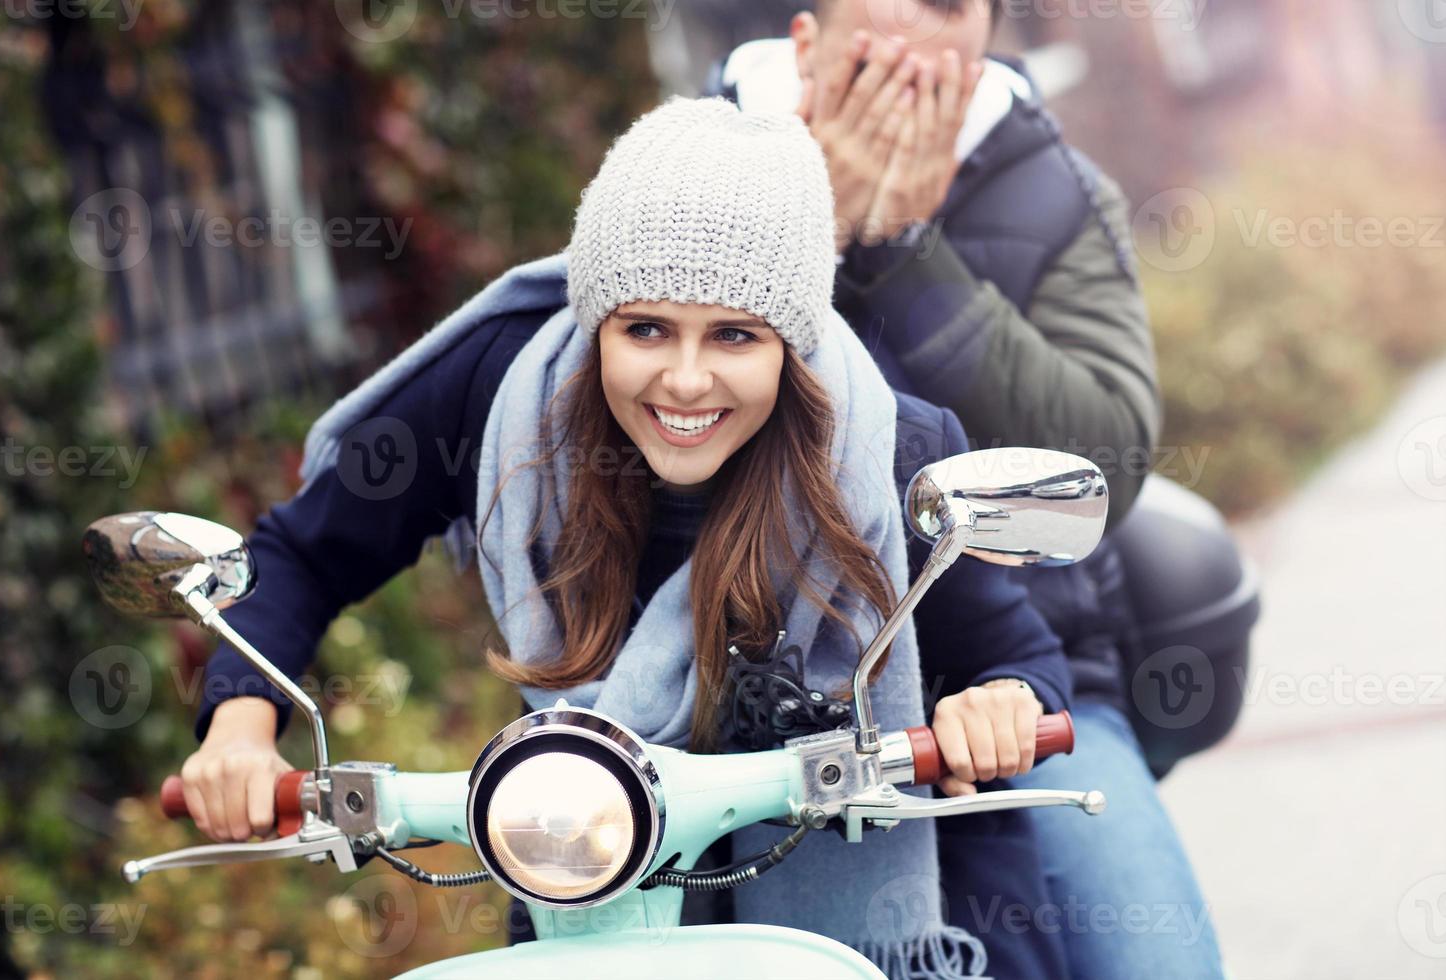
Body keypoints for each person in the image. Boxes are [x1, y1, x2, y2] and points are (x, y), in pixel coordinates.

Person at [181, 97, 1082, 977]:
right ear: (594, 318)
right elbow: (303, 553)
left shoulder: (886, 450)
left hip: (870, 887)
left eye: (734, 335)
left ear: (791, 348)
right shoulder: (500, 398)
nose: (685, 381)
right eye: (646, 327)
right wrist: (239, 729)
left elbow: (1012, 653)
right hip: (582, 852)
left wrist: (995, 704)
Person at [712, 3, 1227, 976]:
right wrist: (811, 235)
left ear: (986, 34)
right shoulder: (690, 168)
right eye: (871, 73)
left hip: (1029, 672)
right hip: (746, 687)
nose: (908, 65)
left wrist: (906, 253)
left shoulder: (1059, 192)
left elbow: (1106, 464)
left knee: (1156, 958)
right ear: (807, 43)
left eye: (945, 18)